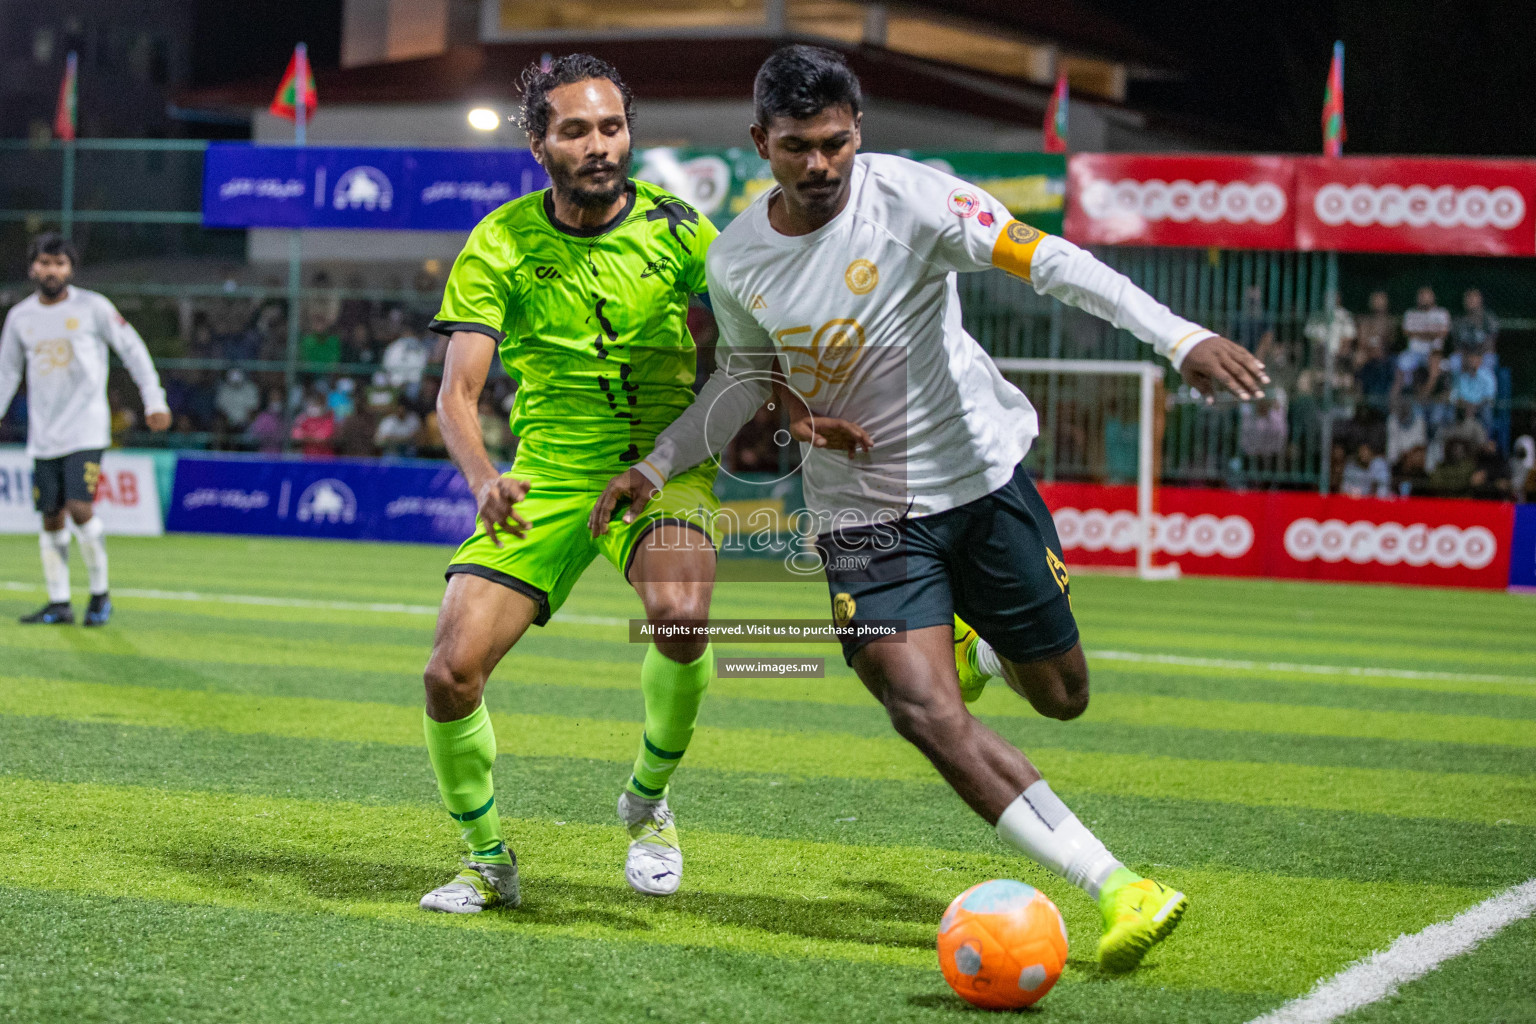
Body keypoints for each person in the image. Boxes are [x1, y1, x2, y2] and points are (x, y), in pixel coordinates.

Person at [591, 45, 1268, 973]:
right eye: (797, 147)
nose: (820, 164)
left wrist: (1178, 337)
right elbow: (743, 379)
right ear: (762, 144)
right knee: (919, 708)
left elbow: (1054, 264)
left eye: (835, 142)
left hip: (982, 483)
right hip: (860, 520)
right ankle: (1119, 884)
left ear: (858, 129)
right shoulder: (739, 257)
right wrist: (658, 463)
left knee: (1062, 697)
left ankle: (977, 644)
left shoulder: (916, 199)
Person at [416, 54, 723, 914]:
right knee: (450, 673)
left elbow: (750, 352)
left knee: (682, 617)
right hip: (544, 477)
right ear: (539, 142)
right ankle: (487, 859)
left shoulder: (680, 230)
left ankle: (649, 801)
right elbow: (458, 392)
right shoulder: (503, 240)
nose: (599, 145)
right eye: (577, 130)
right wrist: (483, 477)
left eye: (613, 127)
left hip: (658, 466)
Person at [0, 233, 171, 625]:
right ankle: (59, 602)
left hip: (86, 428)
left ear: (70, 269)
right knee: (50, 516)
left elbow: (133, 349)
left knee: (80, 507)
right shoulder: (21, 317)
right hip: (44, 433)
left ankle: (100, 593)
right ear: (33, 267)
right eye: (44, 262)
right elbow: (7, 371)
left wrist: (155, 400)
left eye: (59, 263)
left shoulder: (94, 307)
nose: (51, 270)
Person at [1394, 286, 1449, 395]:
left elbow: (1443, 333)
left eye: (1427, 296)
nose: (1424, 298)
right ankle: (1395, 405)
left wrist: (1418, 332)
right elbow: (1407, 332)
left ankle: (1425, 394)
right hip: (1414, 353)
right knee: (1401, 364)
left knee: (1439, 366)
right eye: (1421, 296)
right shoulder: (1410, 314)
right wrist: (1431, 333)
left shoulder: (1441, 313)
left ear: (1433, 297)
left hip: (1434, 353)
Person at [1451, 287, 1498, 368]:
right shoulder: (1458, 321)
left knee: (1489, 361)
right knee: (1454, 361)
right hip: (1464, 355)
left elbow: (1490, 343)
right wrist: (1467, 357)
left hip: (1484, 355)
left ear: (1480, 300)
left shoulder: (1489, 319)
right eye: (1468, 298)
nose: (1470, 300)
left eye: (1473, 298)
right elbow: (1457, 345)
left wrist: (1476, 357)